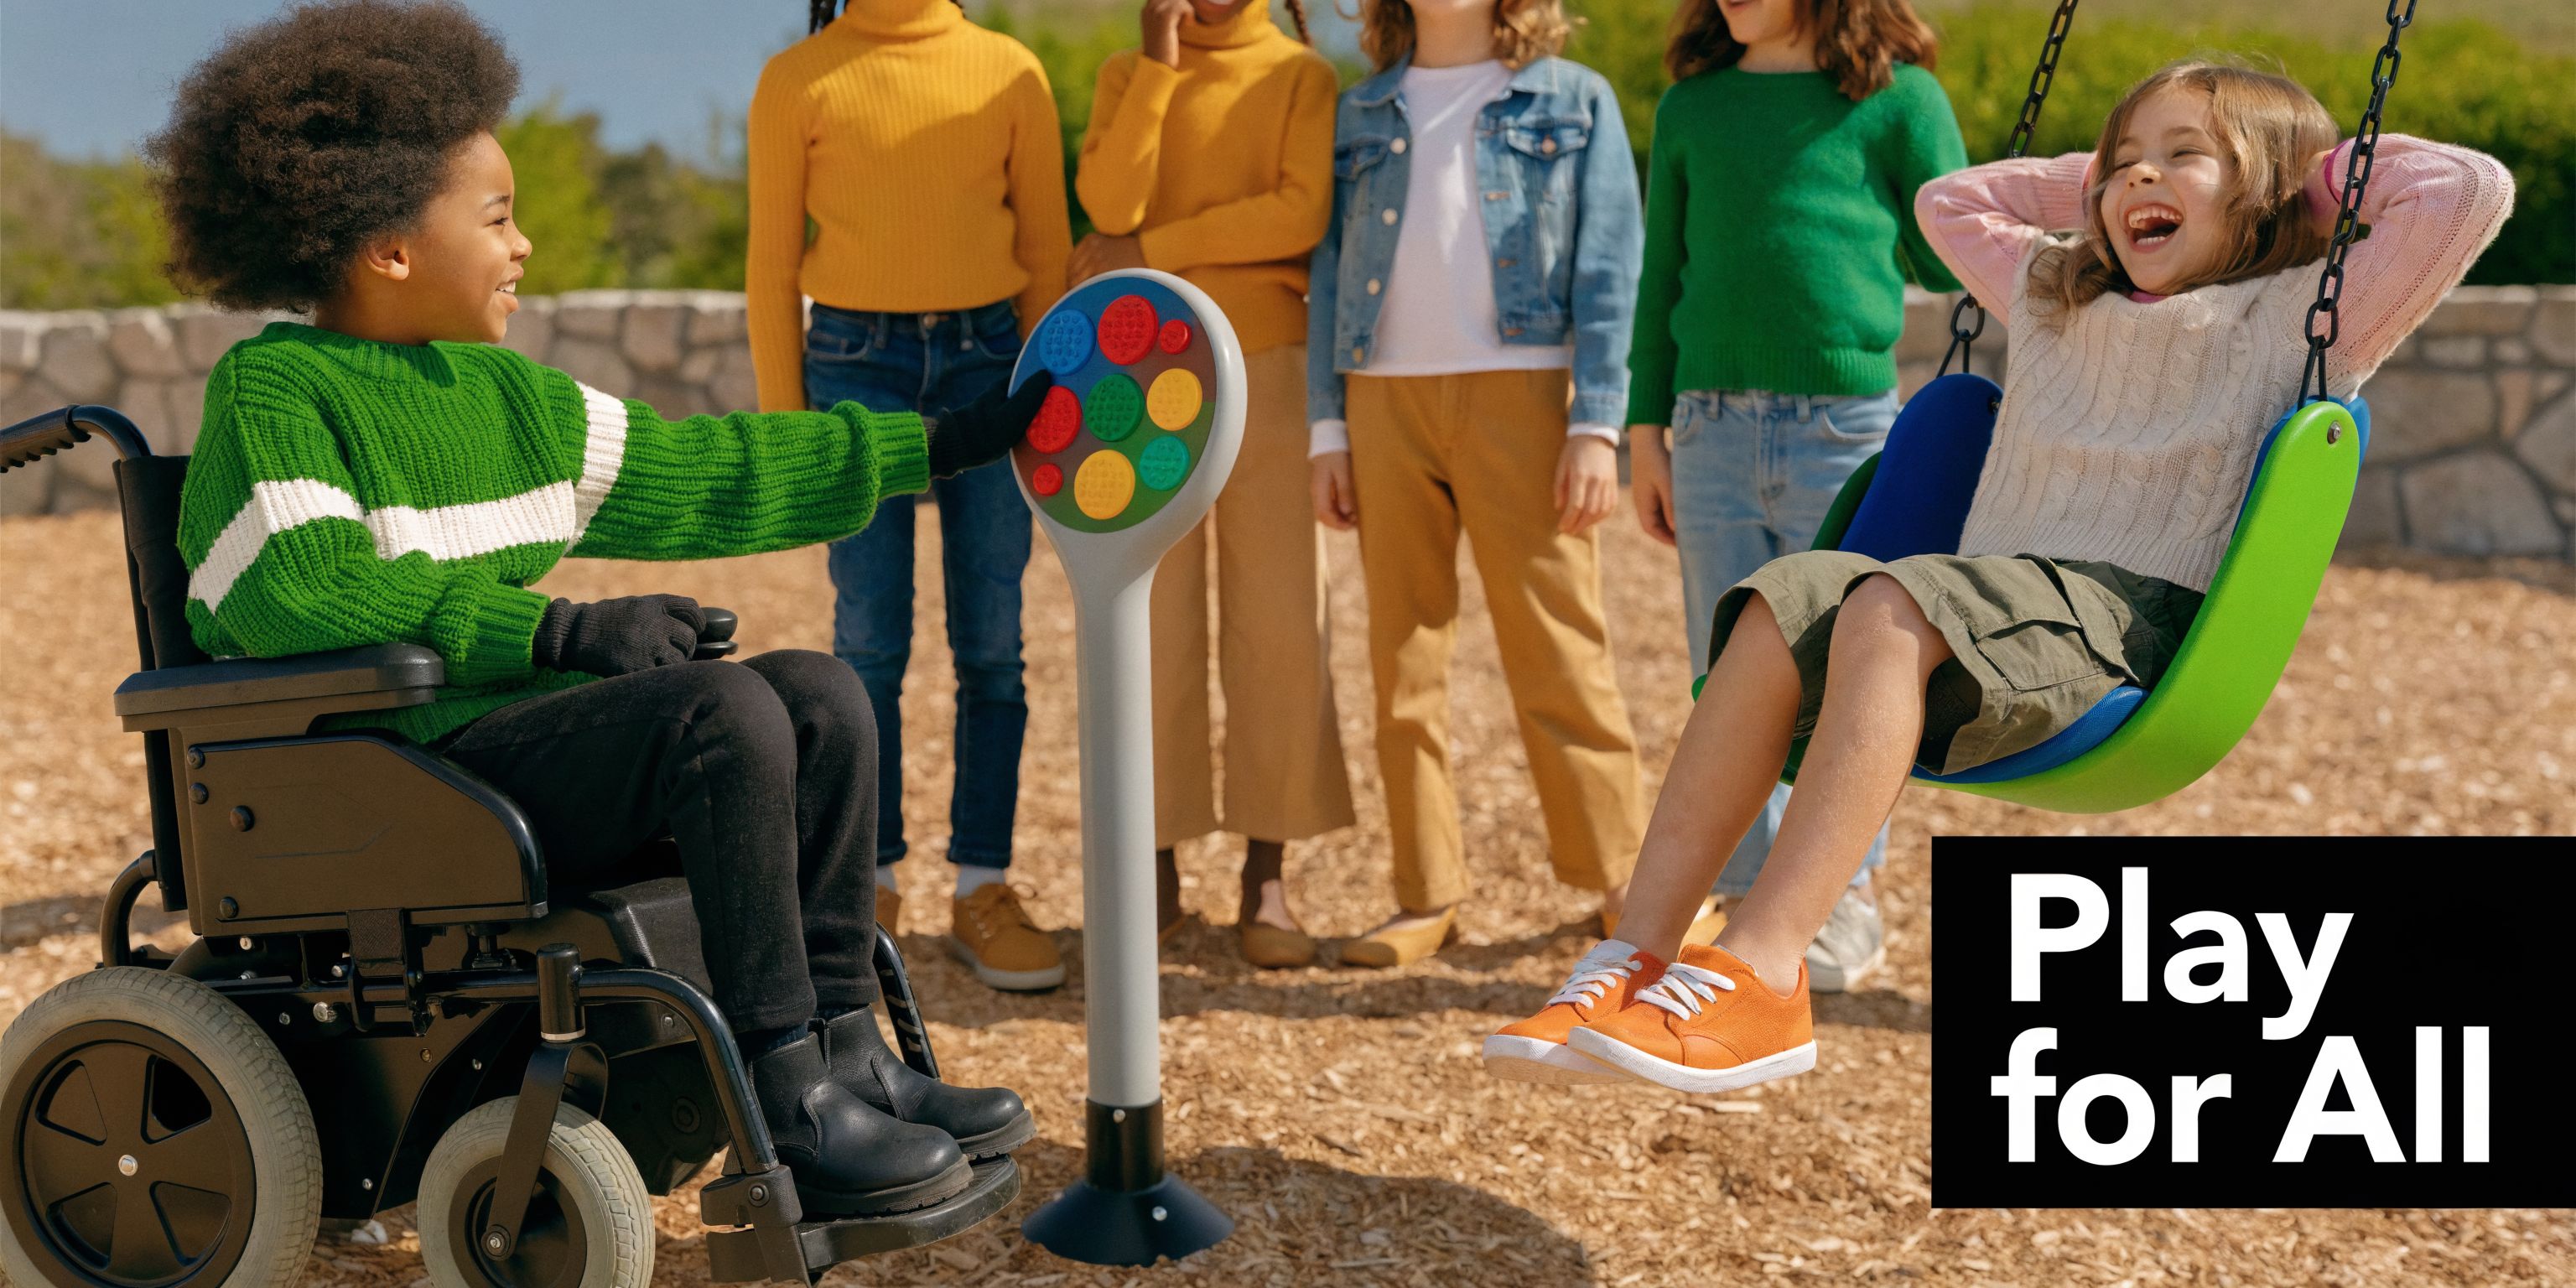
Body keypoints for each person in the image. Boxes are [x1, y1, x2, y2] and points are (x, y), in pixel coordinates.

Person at [149, 0, 1056, 1214]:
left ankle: (852, 1059)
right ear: (391, 248)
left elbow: (713, 469)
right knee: (718, 714)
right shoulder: (276, 389)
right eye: (497, 217)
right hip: (390, 772)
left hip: (484, 759)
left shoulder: (505, 396)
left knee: (820, 695)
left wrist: (938, 443)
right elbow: (302, 588)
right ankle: (788, 1106)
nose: (523, 245)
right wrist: (560, 633)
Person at [1488, 60, 2513, 1088]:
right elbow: (1949, 201)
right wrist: (2110, 186)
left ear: (2272, 189)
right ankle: (1638, 954)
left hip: (2118, 628)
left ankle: (1764, 973)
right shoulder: (2057, 296)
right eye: (2123, 159)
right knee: (1783, 600)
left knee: (1894, 599)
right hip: (1978, 610)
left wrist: (2317, 181)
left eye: (2184, 156)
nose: (2138, 177)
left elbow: (2467, 194)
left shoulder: (2302, 315)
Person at [1624, 0, 1968, 993]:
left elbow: (1950, 257)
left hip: (1846, 430)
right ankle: (1739, 894)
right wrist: (1646, 432)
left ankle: (1843, 900)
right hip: (1709, 432)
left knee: (1847, 672)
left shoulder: (1899, 102)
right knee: (1727, 672)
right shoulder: (1693, 107)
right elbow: (1660, 279)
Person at [1307, 0, 1648, 968]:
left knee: (1559, 646)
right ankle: (1425, 895)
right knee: (1401, 661)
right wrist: (1327, 429)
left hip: (1523, 396)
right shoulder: (1358, 110)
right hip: (1381, 399)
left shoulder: (1575, 99)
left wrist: (1596, 425)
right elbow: (1329, 273)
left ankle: (1625, 883)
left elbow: (1610, 267)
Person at [750, 0, 1073, 992]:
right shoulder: (798, 77)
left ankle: (983, 886)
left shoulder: (1011, 69)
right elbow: (771, 266)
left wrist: (1055, 403)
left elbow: (1048, 254)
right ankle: (868, 885)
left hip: (996, 359)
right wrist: (790, 435)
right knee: (868, 644)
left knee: (993, 645)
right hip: (854, 361)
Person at [1071, 0, 1353, 969]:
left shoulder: (1301, 76)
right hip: (1140, 379)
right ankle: (1151, 870)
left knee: (1283, 621)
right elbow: (1109, 205)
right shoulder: (1127, 74)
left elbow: (1298, 214)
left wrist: (1152, 252)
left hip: (1271, 369)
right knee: (1151, 623)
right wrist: (1159, 64)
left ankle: (1266, 875)